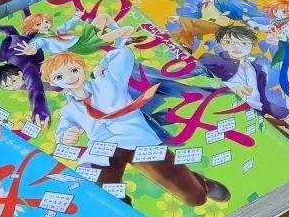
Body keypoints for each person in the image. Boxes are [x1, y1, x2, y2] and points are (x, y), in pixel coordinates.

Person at [41, 37, 229, 207]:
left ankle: (200, 183)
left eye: (74, 70)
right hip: (103, 150)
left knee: (195, 198)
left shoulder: (109, 81)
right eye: (60, 77)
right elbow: (61, 135)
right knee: (93, 179)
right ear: (54, 82)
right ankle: (124, 209)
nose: (70, 78)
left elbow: (124, 54)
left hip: (138, 141)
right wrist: (66, 136)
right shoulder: (68, 111)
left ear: (83, 68)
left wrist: (103, 64)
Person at [199, 24, 289, 129]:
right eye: (228, 42)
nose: (236, 47)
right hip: (223, 117)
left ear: (252, 45)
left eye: (244, 43)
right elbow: (194, 77)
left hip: (251, 120)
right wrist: (230, 87)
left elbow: (261, 102)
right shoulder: (213, 61)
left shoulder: (258, 71)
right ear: (220, 43)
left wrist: (287, 116)